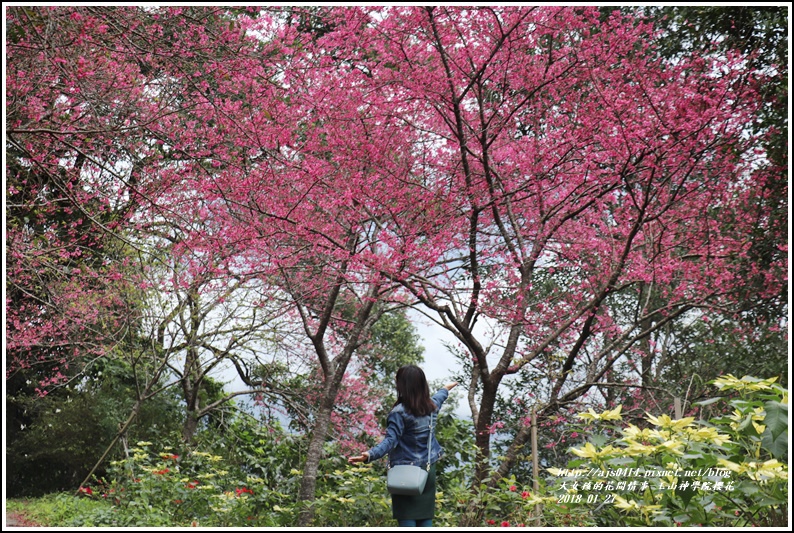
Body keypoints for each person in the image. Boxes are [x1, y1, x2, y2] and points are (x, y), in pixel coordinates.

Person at [348, 365, 458, 527]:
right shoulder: (431, 407)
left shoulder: (399, 412)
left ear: (402, 386)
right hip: (427, 471)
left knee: (407, 517)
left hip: (406, 473)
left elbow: (390, 442)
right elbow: (439, 397)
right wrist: (445, 388)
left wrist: (369, 455)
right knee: (424, 517)